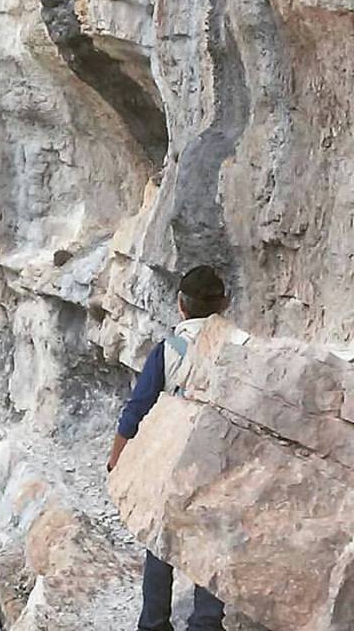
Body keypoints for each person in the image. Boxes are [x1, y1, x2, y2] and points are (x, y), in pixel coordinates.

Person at [108, 265, 230, 631]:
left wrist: (117, 456)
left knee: (161, 538)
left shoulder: (169, 349)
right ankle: (206, 623)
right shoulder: (238, 346)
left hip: (173, 457)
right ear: (223, 305)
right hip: (221, 457)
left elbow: (139, 405)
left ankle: (154, 622)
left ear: (181, 305)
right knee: (210, 539)